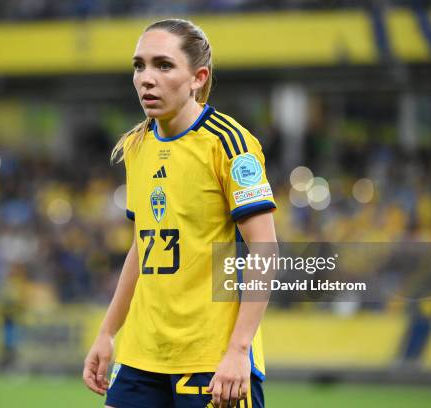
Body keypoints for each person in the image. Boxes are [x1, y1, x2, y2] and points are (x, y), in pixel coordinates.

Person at [83, 18, 277, 408]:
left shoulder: (230, 143)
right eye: (139, 65)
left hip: (212, 357)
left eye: (163, 65)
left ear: (197, 78)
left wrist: (239, 350)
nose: (146, 78)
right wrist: (108, 331)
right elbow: (142, 248)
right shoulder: (137, 146)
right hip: (142, 355)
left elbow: (265, 248)